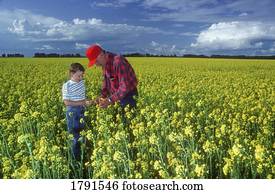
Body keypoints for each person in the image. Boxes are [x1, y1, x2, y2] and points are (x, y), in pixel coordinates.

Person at [85, 44, 138, 109]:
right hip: (116, 96)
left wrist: (109, 100)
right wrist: (98, 100)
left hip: (128, 96)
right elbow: (106, 84)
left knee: (125, 118)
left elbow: (125, 87)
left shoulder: (118, 62)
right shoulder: (104, 64)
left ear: (101, 54)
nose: (96, 64)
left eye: (96, 61)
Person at [62, 63, 93, 160]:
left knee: (83, 134)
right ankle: (75, 158)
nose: (81, 77)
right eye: (79, 75)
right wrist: (83, 102)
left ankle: (83, 156)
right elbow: (67, 102)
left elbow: (81, 98)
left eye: (82, 75)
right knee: (74, 136)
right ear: (72, 74)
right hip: (72, 112)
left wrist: (89, 101)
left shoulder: (82, 83)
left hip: (82, 110)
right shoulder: (66, 85)